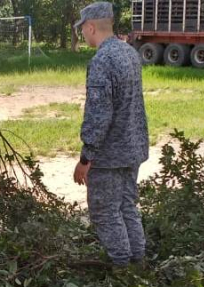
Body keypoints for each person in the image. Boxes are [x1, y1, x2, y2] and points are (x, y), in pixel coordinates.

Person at [72, 2, 149, 269]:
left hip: (110, 154)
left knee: (105, 212)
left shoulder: (102, 60)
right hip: (133, 147)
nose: (82, 34)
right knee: (127, 206)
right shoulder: (129, 52)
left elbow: (99, 114)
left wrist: (86, 157)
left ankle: (122, 270)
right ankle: (139, 264)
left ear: (91, 27)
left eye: (82, 29)